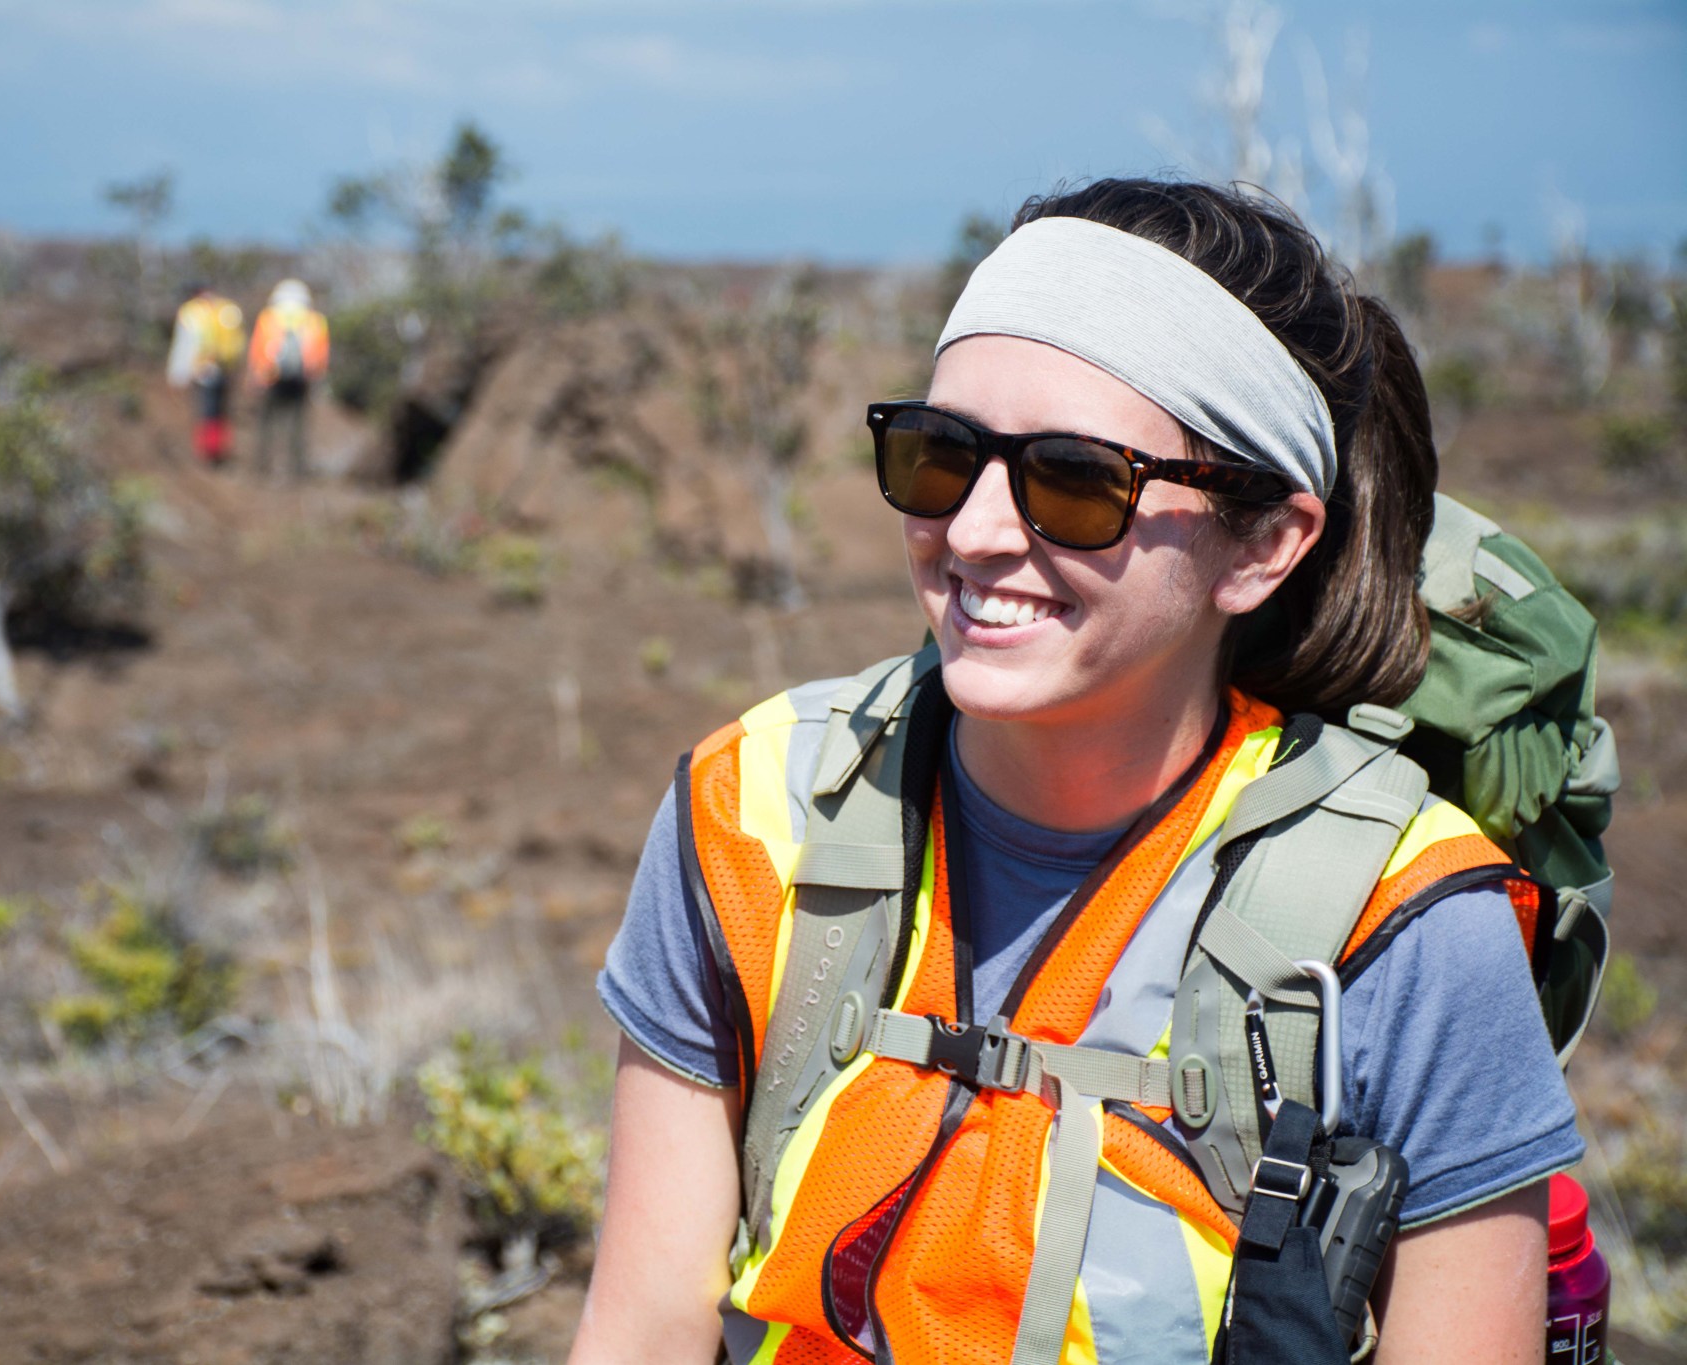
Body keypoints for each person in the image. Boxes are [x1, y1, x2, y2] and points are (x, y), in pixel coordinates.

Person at [572, 179, 1582, 1365]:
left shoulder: (1402, 926)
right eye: (939, 456)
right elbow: (642, 1328)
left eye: (1072, 480)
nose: (977, 531)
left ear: (1261, 543)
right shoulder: (751, 817)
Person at [247, 278, 330, 479]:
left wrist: (256, 375)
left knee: (267, 422)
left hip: (271, 376)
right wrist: (316, 376)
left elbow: (258, 348)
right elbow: (321, 352)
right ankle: (297, 469)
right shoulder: (314, 320)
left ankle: (261, 465)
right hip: (301, 378)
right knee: (297, 424)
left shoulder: (268, 318)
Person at [165, 282, 245, 465]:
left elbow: (184, 345)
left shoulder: (191, 312)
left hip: (203, 371)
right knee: (221, 412)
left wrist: (177, 375)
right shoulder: (227, 309)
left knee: (206, 412)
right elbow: (238, 341)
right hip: (226, 369)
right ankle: (220, 450)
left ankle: (207, 453)